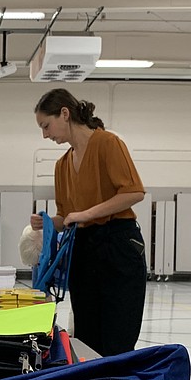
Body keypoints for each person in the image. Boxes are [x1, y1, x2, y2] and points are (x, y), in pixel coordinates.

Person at [30, 88, 147, 357]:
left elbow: (133, 192)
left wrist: (86, 214)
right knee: (87, 335)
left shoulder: (108, 143)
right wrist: (46, 222)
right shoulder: (62, 165)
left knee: (118, 334)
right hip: (84, 248)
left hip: (118, 244)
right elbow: (66, 216)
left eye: (46, 126)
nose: (45, 135)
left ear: (65, 113)